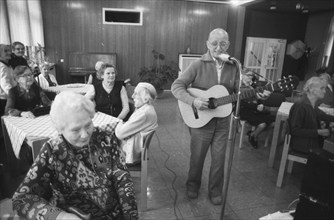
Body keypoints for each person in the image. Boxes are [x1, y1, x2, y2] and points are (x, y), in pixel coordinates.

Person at [12, 91, 139, 220]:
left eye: (88, 125)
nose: (85, 135)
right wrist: (61, 216)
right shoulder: (53, 150)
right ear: (60, 129)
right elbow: (21, 199)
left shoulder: (105, 138)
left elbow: (123, 180)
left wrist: (130, 216)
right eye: (75, 130)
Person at [288, 76, 334, 155]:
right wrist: (319, 132)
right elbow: (295, 130)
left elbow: (323, 115)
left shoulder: (311, 104)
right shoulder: (301, 106)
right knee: (329, 156)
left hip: (308, 141)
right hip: (302, 144)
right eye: (322, 88)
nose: (324, 91)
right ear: (313, 90)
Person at [115, 82, 158, 164]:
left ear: (145, 98)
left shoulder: (144, 113)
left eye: (136, 94)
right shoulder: (145, 108)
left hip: (130, 152)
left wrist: (119, 122)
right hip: (133, 146)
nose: (132, 96)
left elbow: (120, 134)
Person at [240, 69, 276, 148]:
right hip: (244, 110)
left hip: (254, 110)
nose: (250, 78)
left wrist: (261, 103)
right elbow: (243, 102)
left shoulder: (252, 86)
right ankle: (254, 136)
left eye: (252, 76)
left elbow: (259, 98)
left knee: (272, 122)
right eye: (248, 75)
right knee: (262, 124)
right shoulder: (239, 86)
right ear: (242, 75)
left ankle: (253, 134)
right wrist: (256, 106)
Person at [0, 44, 16, 117]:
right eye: (5, 51)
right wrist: (15, 94)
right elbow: (5, 84)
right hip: (4, 99)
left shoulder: (8, 65)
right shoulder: (1, 66)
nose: (9, 53)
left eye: (9, 51)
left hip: (8, 97)